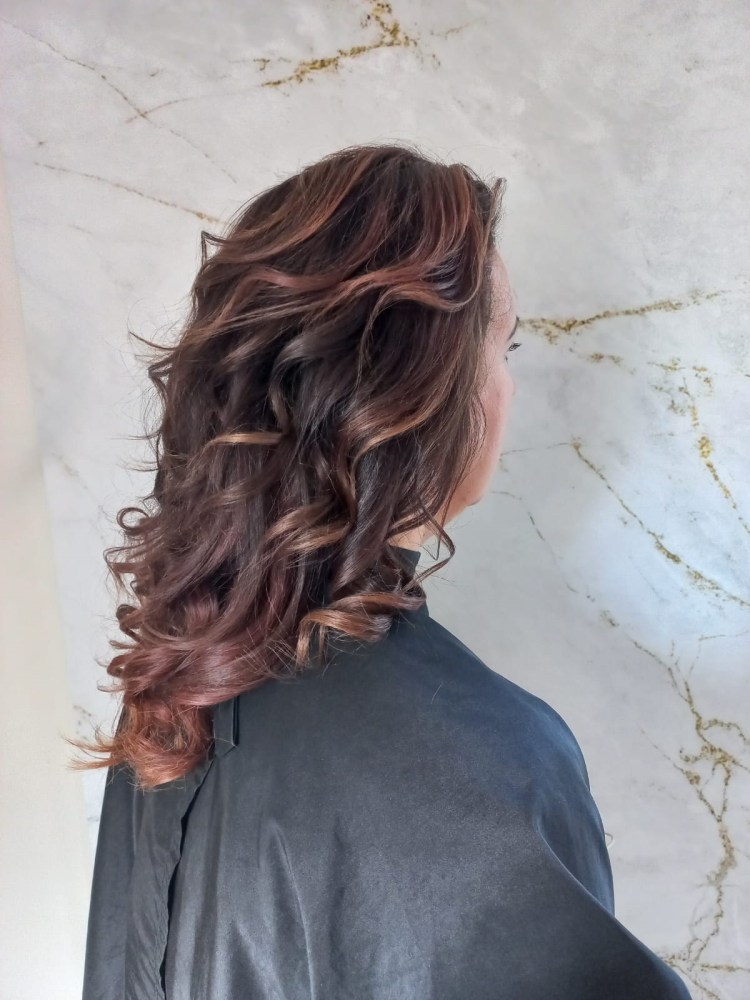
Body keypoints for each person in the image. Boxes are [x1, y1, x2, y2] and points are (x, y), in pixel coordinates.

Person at [74, 142, 693, 999]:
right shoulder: (490, 767)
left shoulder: (176, 688)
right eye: (505, 350)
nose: (510, 391)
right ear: (415, 395)